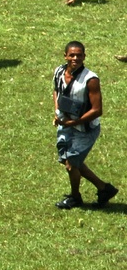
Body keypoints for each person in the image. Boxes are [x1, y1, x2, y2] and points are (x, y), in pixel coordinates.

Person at [53, 41, 118, 210]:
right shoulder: (59, 71)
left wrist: (74, 122)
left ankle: (75, 197)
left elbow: (97, 110)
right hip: (66, 124)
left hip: (85, 129)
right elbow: (56, 90)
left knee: (71, 164)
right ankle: (104, 188)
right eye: (72, 55)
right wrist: (57, 112)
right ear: (65, 55)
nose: (75, 58)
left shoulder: (91, 80)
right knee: (69, 161)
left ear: (84, 56)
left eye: (79, 55)